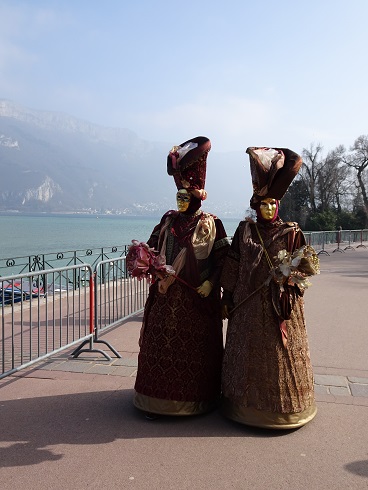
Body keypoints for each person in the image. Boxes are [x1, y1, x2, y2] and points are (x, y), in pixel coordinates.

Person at [221, 147, 319, 429]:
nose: (267, 208)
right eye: (263, 203)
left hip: (280, 307)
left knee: (280, 357)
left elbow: (305, 266)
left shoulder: (292, 232)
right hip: (247, 310)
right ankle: (241, 405)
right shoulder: (245, 231)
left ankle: (284, 410)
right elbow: (234, 263)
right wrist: (226, 296)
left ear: (278, 206)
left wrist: (290, 282)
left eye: (272, 204)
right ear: (256, 205)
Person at [132, 136, 230, 418]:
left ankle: (199, 399)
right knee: (160, 346)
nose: (181, 200)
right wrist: (144, 260)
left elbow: (223, 259)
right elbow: (151, 247)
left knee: (195, 352)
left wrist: (212, 283)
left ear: (197, 197)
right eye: (178, 196)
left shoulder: (213, 224)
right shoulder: (167, 222)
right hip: (165, 297)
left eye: (186, 196)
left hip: (198, 300)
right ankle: (153, 400)